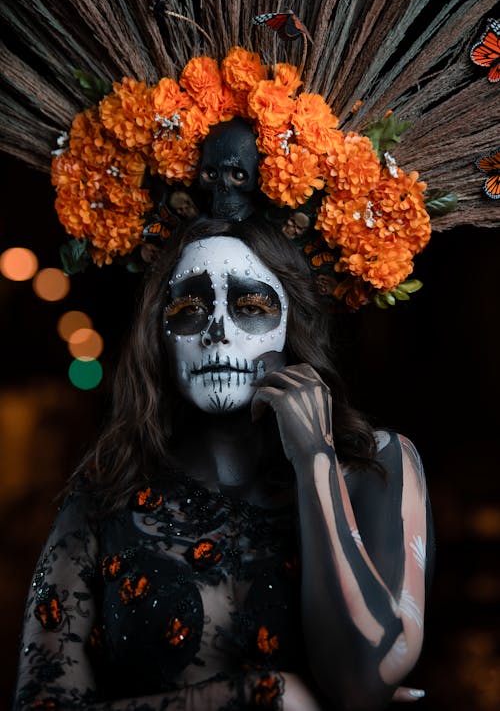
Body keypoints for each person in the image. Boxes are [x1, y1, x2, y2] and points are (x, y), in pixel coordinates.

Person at [13, 217, 434, 711]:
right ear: (160, 336)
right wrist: (258, 698)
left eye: (251, 306)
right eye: (189, 307)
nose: (217, 332)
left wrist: (314, 457)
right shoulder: (107, 490)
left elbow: (364, 680)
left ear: (293, 323)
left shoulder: (375, 464)